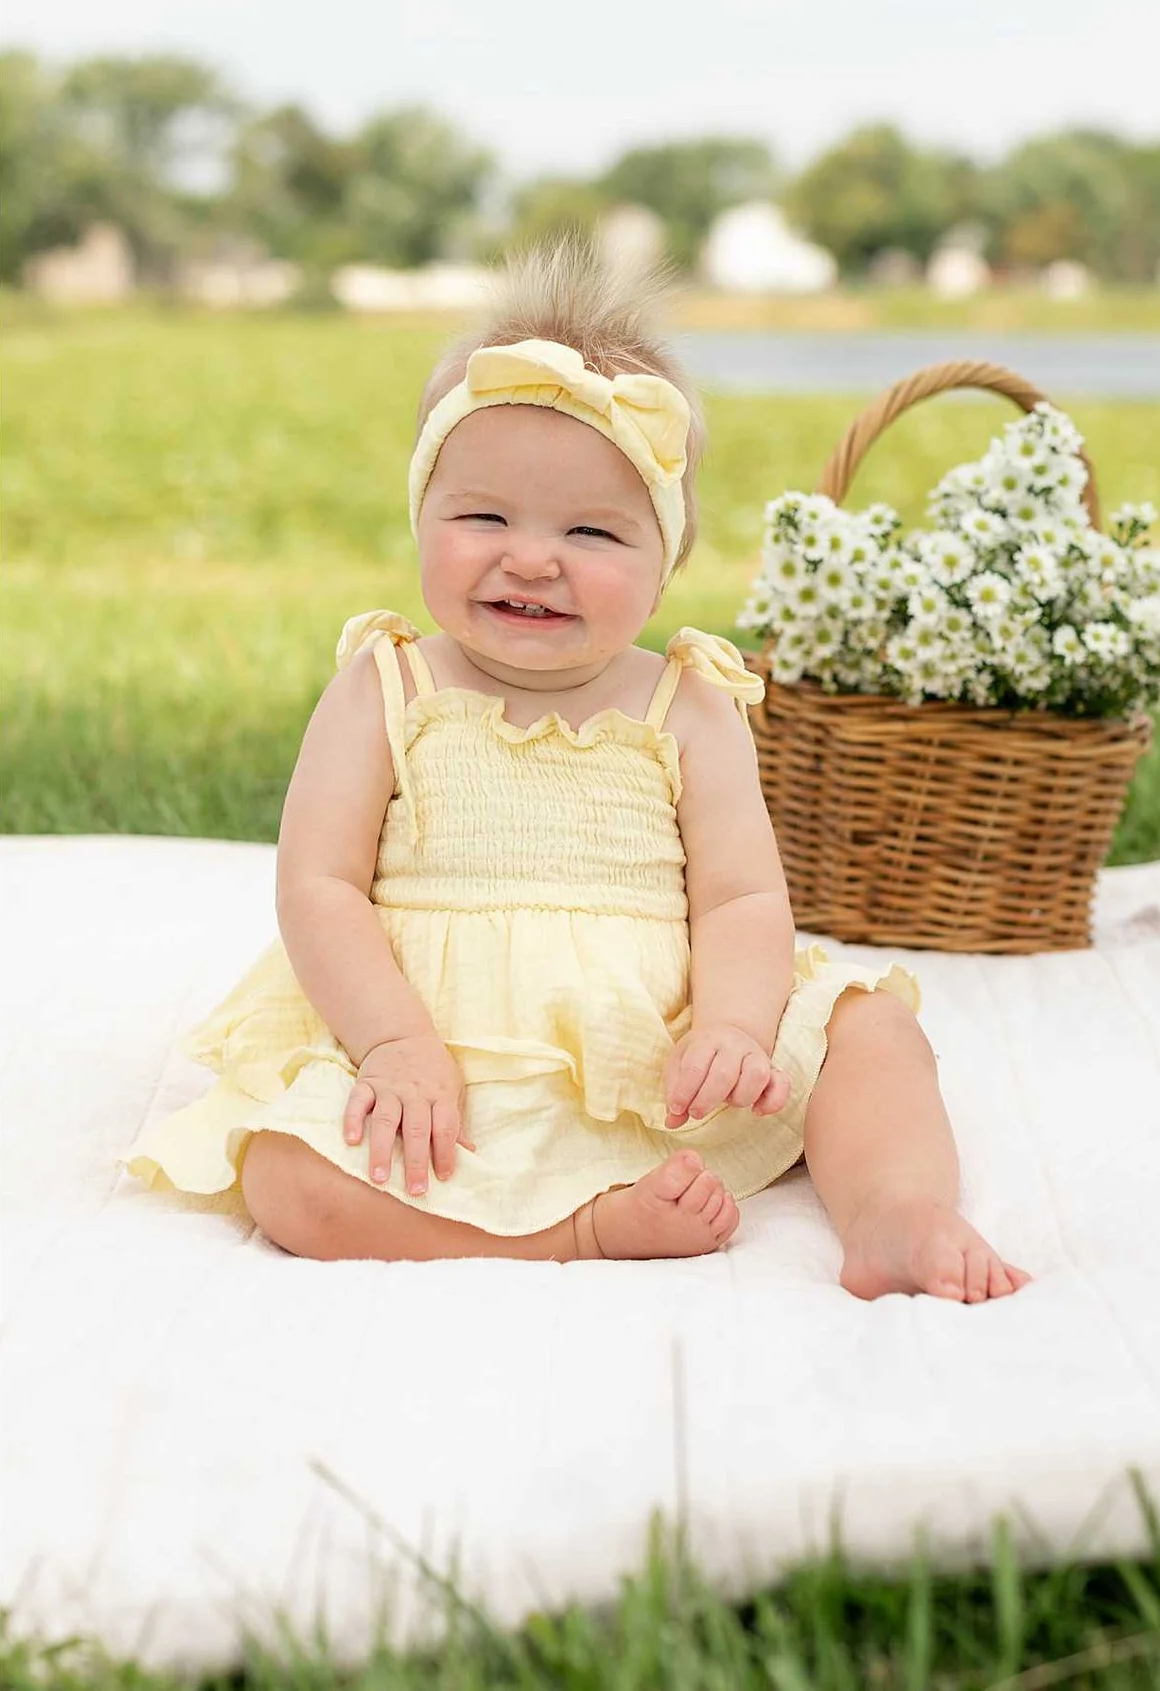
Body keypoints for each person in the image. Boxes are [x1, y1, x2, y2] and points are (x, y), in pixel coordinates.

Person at [126, 243, 1028, 1304]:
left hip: (662, 1060)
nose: (531, 557)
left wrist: (733, 1027)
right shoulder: (386, 686)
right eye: (483, 517)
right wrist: (393, 1044)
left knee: (869, 1027)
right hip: (440, 1055)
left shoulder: (688, 702)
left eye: (591, 530)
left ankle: (894, 1214)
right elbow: (316, 885)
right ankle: (569, 1239)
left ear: (665, 561)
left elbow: (740, 894)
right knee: (285, 1176)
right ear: (421, 517)